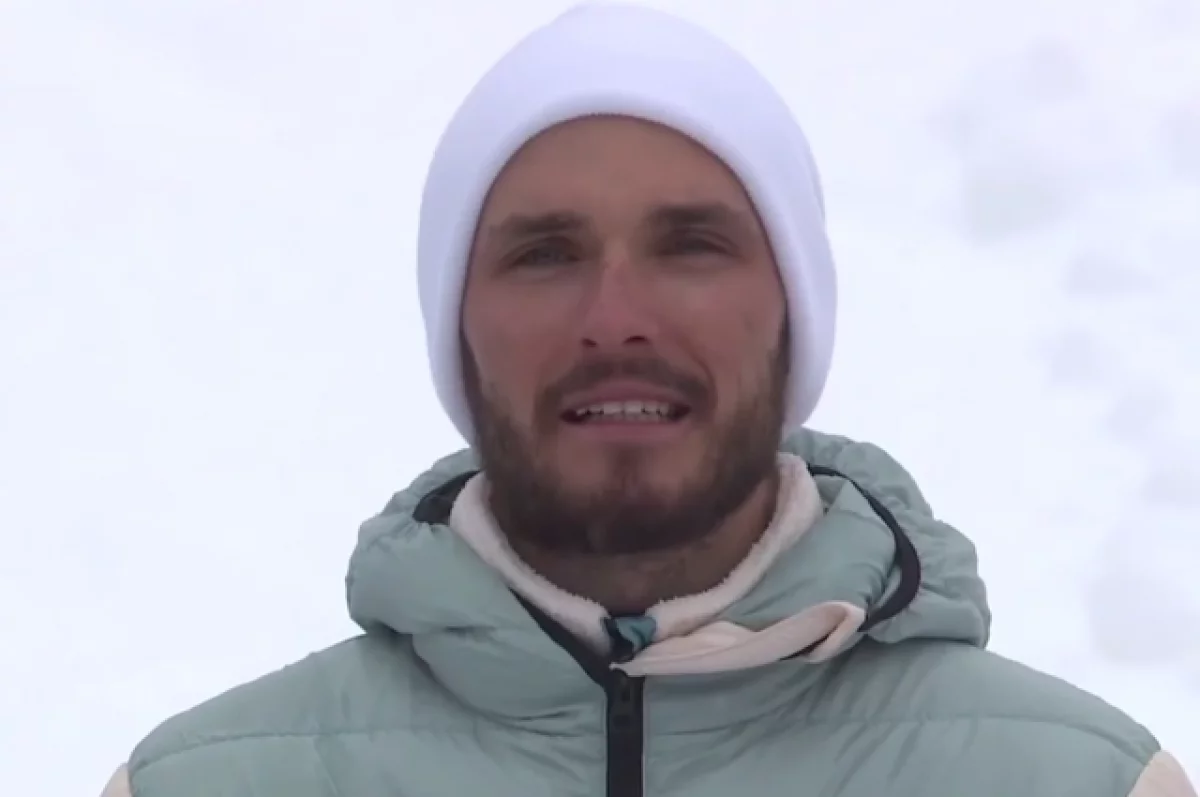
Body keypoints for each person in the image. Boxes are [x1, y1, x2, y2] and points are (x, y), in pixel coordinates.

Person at [101, 3, 1196, 796]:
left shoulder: (1082, 782)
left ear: (794, 307)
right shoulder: (201, 783)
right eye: (544, 253)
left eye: (691, 245)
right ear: (456, 325)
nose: (615, 316)